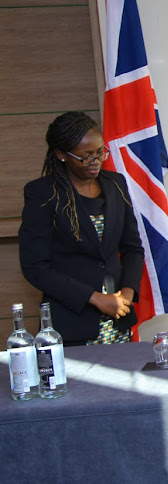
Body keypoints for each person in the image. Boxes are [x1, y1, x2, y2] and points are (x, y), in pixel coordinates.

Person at [19, 112, 144, 345]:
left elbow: (133, 248)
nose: (95, 161)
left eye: (99, 153)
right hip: (72, 322)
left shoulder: (115, 184)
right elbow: (35, 267)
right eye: (85, 157)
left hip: (118, 318)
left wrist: (127, 293)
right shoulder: (43, 194)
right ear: (61, 155)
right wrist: (95, 298)